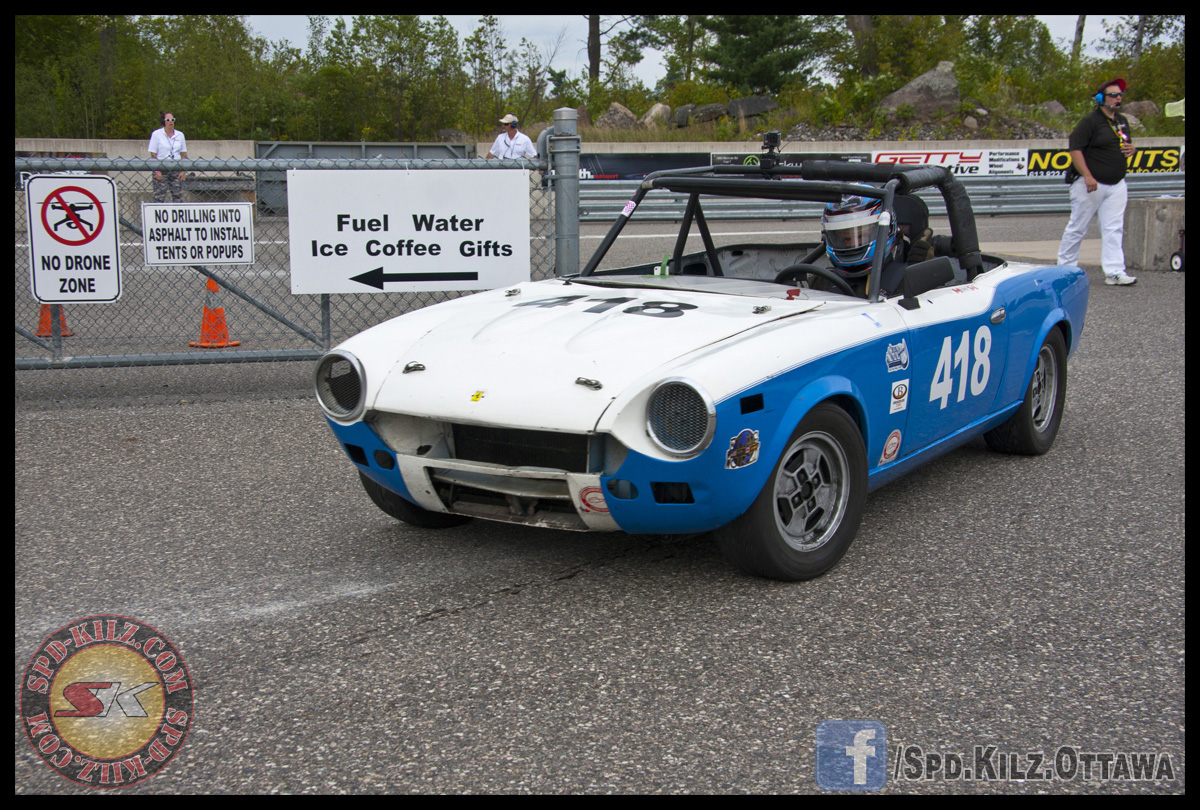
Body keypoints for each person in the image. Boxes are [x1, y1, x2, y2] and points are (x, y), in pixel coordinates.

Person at [1057, 78, 1138, 286]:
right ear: (1102, 98)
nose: (1118, 98)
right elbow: (1075, 149)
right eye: (1113, 95)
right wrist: (1087, 175)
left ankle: (1114, 272)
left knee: (1113, 228)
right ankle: (1065, 269)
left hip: (1116, 183)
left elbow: (1124, 144)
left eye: (1120, 95)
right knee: (1078, 226)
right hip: (1091, 183)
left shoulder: (1121, 121)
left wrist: (1132, 149)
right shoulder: (1090, 122)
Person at [820, 194, 928, 298]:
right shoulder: (822, 281)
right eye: (846, 239)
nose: (854, 243)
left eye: (862, 236)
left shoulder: (909, 279)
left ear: (887, 230)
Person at [148, 112, 188, 202]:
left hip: (176, 168)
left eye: (172, 120)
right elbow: (153, 155)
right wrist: (157, 171)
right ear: (164, 121)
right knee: (159, 197)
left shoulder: (180, 135)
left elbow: (184, 155)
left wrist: (183, 171)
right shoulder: (156, 134)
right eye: (168, 120)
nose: (171, 122)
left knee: (178, 197)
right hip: (161, 168)